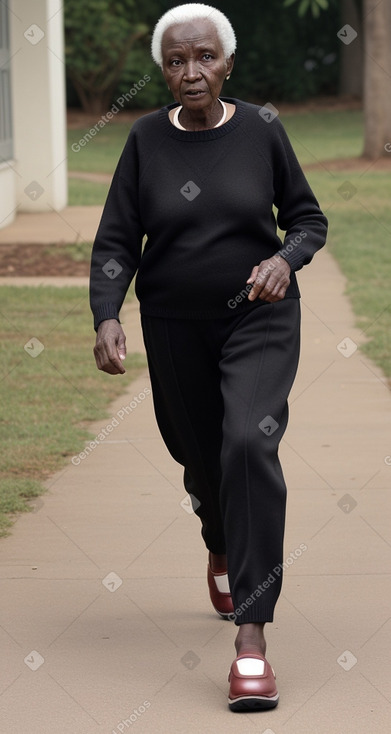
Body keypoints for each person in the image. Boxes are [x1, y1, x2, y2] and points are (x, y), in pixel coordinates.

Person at [90, 3, 328, 712]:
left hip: (257, 320)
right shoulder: (142, 140)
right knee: (198, 457)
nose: (189, 73)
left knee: (247, 447)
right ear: (162, 69)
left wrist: (285, 260)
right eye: (174, 61)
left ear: (227, 63)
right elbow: (114, 241)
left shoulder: (261, 130)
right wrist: (106, 314)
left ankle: (250, 640)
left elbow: (307, 219)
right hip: (172, 324)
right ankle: (220, 543)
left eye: (203, 59)